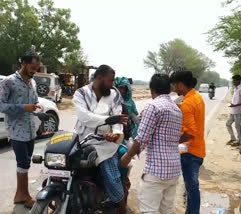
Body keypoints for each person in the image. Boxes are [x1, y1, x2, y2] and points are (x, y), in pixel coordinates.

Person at [120, 74, 183, 214]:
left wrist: (128, 156)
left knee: (149, 210)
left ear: (152, 89)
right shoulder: (177, 110)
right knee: (166, 210)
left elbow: (142, 138)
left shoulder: (153, 106)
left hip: (156, 170)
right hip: (173, 170)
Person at [73, 65, 128, 214]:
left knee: (112, 175)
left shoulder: (114, 94)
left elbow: (118, 119)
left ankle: (121, 206)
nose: (112, 84)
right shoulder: (81, 93)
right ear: (99, 78)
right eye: (110, 81)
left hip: (106, 143)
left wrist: (116, 133)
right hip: (84, 139)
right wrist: (109, 119)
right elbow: (84, 118)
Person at [0, 51, 41, 208]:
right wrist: (24, 107)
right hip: (16, 130)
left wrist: (38, 107)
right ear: (23, 63)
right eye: (32, 67)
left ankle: (19, 195)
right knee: (22, 163)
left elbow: (35, 101)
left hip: (31, 130)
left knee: (25, 163)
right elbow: (1, 105)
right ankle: (25, 196)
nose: (34, 71)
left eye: (36, 69)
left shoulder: (33, 82)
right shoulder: (8, 82)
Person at [170, 70, 205, 214]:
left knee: (192, 187)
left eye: (175, 85)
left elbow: (190, 133)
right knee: (191, 187)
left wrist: (172, 142)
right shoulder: (197, 97)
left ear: (180, 84)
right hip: (197, 149)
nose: (174, 89)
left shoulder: (188, 103)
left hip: (190, 152)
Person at [226, 75, 241, 147]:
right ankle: (233, 138)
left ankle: (239, 140)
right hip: (232, 110)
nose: (233, 82)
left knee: (237, 126)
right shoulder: (235, 89)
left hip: (237, 111)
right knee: (228, 124)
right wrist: (232, 104)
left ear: (238, 81)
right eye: (233, 80)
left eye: (235, 80)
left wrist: (235, 105)